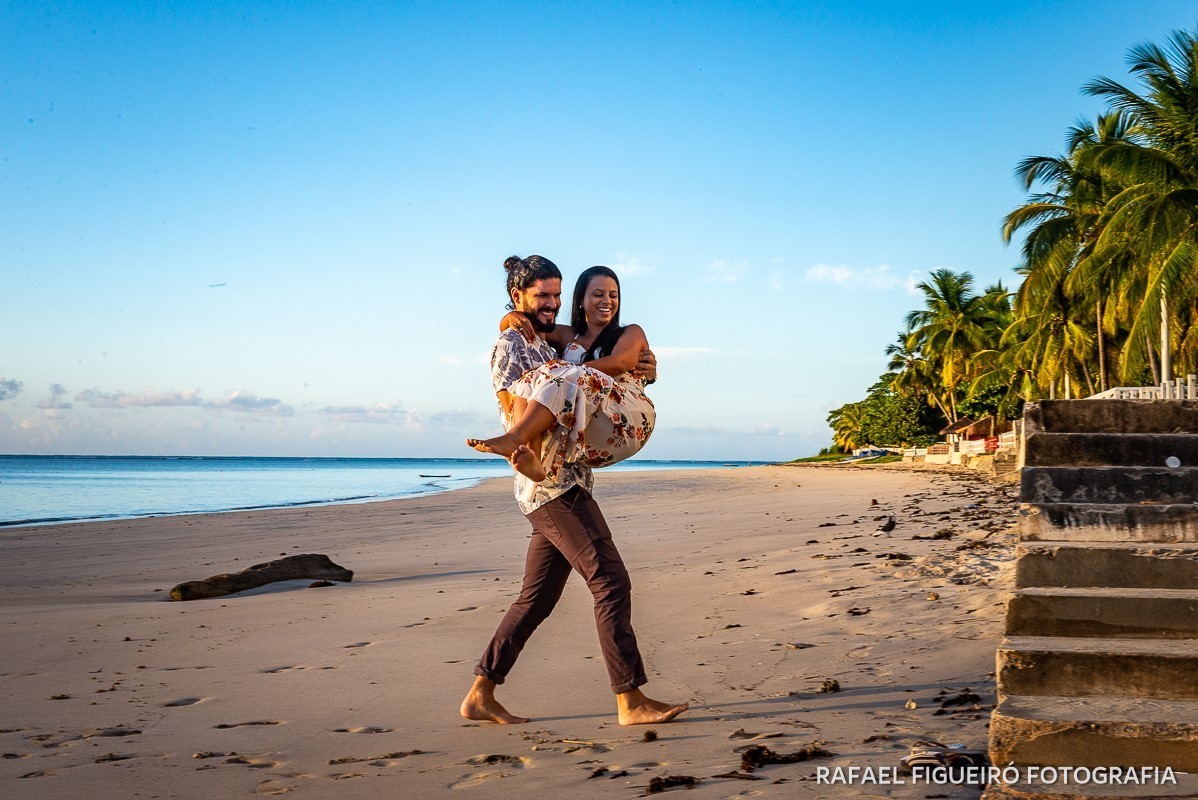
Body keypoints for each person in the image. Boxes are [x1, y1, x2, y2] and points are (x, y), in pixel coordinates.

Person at [458, 254, 688, 727]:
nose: (551, 304)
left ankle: (481, 693)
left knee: (536, 599)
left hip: (566, 477)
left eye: (556, 295)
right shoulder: (513, 345)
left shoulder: (548, 340)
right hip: (550, 484)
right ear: (519, 297)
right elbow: (518, 403)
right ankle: (630, 699)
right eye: (542, 296)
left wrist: (643, 368)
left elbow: (592, 373)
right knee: (610, 580)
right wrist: (529, 451)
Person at [466, 265, 655, 482]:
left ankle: (515, 436)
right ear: (581, 300)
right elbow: (528, 327)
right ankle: (530, 455)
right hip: (588, 429)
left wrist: (565, 373)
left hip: (624, 419)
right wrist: (510, 317)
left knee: (555, 372)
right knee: (532, 377)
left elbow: (620, 363)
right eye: (598, 294)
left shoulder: (631, 332)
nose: (607, 301)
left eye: (613, 295)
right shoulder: (567, 335)